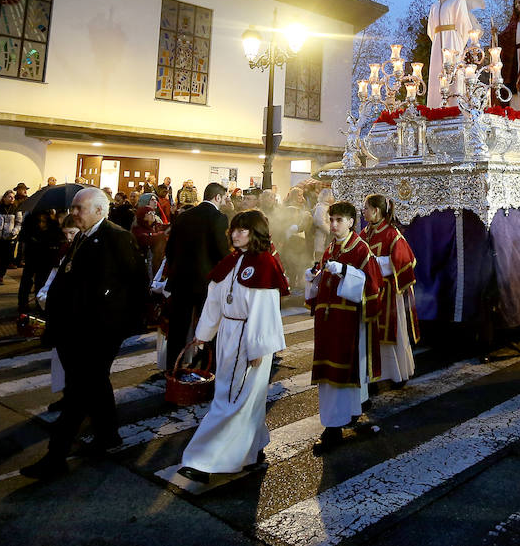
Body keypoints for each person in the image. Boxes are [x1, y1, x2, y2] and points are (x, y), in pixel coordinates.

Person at [22, 187, 145, 479]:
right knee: (96, 384)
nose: (73, 213)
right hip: (76, 329)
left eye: (80, 209)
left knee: (77, 392)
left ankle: (56, 456)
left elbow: (137, 283)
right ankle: (108, 435)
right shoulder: (81, 237)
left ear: (100, 210)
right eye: (73, 208)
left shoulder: (117, 237)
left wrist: (120, 323)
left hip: (100, 331)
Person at [176, 210, 288, 484]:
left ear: (256, 233)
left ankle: (203, 460)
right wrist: (203, 334)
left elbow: (265, 311)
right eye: (234, 229)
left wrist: (258, 348)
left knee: (231, 399)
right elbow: (214, 299)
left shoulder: (263, 264)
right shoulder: (232, 261)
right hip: (228, 333)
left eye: (243, 230)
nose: (235, 234)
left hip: (248, 338)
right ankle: (252, 448)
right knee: (239, 396)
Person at [307, 201, 383, 454]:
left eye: (339, 220)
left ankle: (333, 427)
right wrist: (314, 276)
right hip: (328, 321)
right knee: (330, 374)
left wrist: (346, 271)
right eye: (331, 220)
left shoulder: (361, 250)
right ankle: (347, 414)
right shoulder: (330, 248)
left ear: (351, 222)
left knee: (341, 374)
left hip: (348, 322)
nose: (333, 224)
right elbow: (324, 279)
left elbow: (372, 286)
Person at [163, 182, 231, 371]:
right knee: (207, 325)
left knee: (178, 328)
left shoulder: (184, 216)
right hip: (205, 281)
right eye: (225, 198)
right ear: (217, 197)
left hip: (179, 280)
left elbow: (169, 250)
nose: (226, 201)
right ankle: (204, 367)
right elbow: (221, 251)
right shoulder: (218, 217)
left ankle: (172, 368)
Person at [360, 195, 419, 388]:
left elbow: (405, 261)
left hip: (389, 293)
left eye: (367, 208)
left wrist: (374, 264)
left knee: (393, 336)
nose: (364, 211)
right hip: (370, 292)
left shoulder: (391, 234)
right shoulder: (366, 232)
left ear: (377, 210)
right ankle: (375, 376)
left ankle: (397, 374)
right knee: (372, 336)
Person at [425, 0, 481, 107]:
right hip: (437, 42)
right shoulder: (434, 6)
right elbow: (430, 30)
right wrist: (438, 40)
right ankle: (435, 106)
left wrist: (457, 43)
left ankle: (455, 105)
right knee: (437, 73)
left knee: (455, 73)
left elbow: (463, 25)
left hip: (453, 40)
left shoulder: (458, 1)